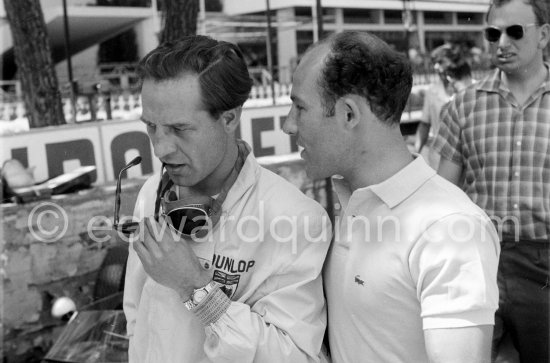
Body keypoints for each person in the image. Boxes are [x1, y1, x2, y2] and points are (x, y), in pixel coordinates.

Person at [283, 30, 500, 363]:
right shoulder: (353, 202)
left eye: (299, 107)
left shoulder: (450, 229)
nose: (288, 125)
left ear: (349, 114)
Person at [123, 35, 331, 362]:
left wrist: (197, 287)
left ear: (230, 118)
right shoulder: (151, 193)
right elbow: (136, 313)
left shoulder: (295, 219)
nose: (160, 148)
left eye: (180, 129)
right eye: (151, 127)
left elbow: (296, 356)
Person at [432, 0, 550, 361]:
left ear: (543, 35)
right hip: (478, 261)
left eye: (515, 31)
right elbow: (443, 195)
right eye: (493, 33)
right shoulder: (463, 106)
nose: (502, 42)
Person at [415, 43, 474, 169]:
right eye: (434, 63)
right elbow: (425, 124)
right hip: (438, 155)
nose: (436, 67)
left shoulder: (475, 88)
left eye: (440, 62)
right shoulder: (432, 90)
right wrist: (415, 153)